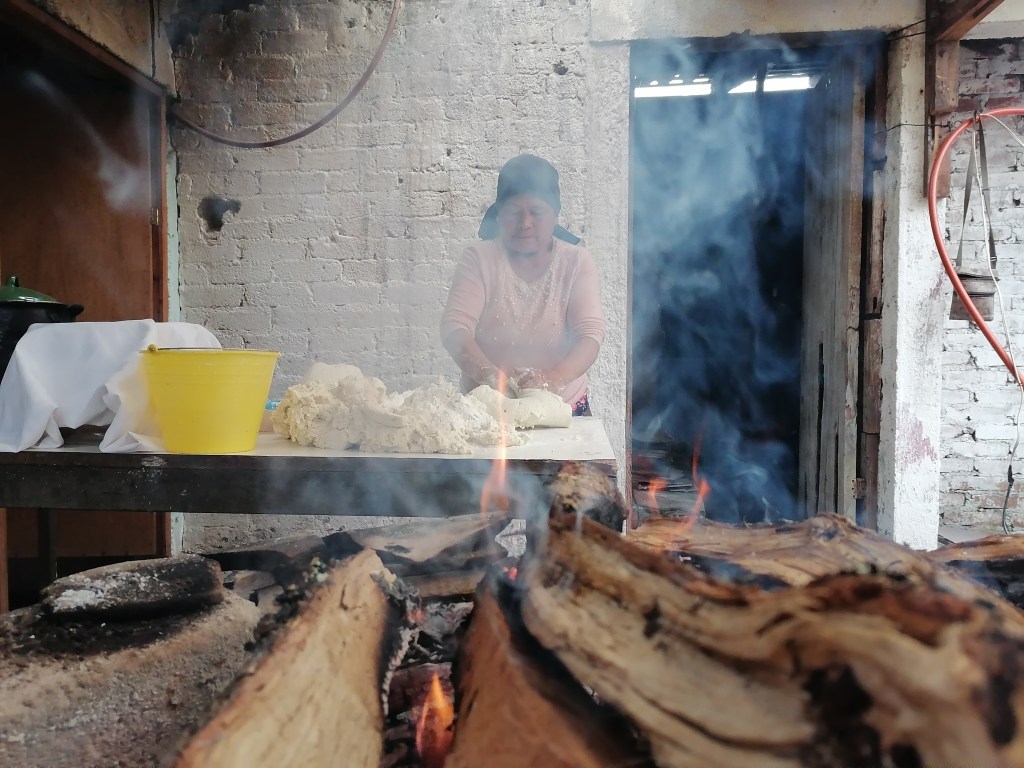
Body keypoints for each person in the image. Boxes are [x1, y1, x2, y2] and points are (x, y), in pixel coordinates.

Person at [440, 154, 605, 416]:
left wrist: (553, 378)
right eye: (514, 212)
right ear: (499, 214)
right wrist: (492, 377)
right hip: (488, 410)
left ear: (555, 214)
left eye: (536, 212)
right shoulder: (479, 258)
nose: (525, 223)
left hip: (562, 408)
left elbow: (590, 335)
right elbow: (455, 327)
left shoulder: (575, 262)